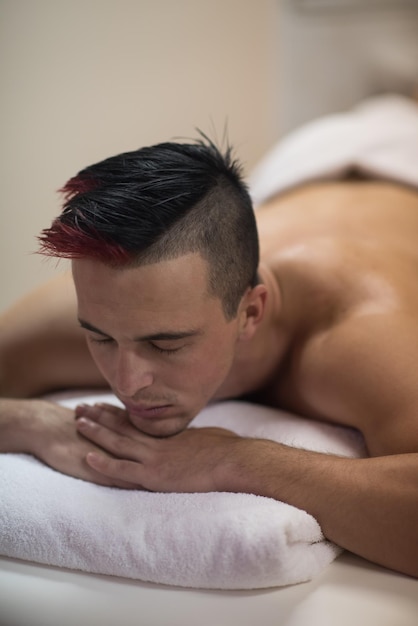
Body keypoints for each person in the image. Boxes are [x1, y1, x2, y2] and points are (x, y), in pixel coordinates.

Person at [1, 95, 418, 579]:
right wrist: (31, 423)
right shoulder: (109, 299)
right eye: (101, 340)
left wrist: (234, 459)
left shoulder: (360, 336)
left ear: (251, 311)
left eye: (166, 344)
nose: (128, 381)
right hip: (304, 167)